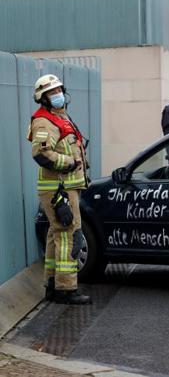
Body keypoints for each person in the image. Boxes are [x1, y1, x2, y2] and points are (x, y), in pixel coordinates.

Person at [27, 74, 91, 305]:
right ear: (42, 98)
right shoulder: (45, 121)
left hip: (65, 187)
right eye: (51, 93)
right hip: (58, 189)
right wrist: (70, 163)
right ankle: (67, 289)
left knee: (56, 236)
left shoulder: (60, 117)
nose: (57, 95)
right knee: (69, 236)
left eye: (58, 91)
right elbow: (41, 153)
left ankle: (53, 285)